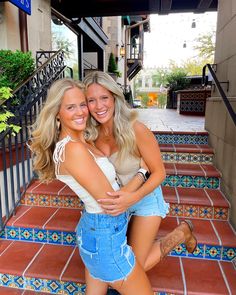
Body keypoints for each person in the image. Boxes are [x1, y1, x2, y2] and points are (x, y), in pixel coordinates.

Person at [29, 78, 154, 295]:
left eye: (82, 104)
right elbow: (112, 201)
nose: (80, 112)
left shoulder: (80, 141)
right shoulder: (73, 149)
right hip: (105, 233)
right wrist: (142, 172)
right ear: (57, 112)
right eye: (70, 107)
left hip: (97, 229)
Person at [83, 71, 197, 273]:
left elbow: (159, 173)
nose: (99, 106)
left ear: (115, 99)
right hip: (117, 201)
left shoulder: (136, 130)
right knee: (111, 259)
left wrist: (133, 197)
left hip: (145, 198)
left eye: (104, 98)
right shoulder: (90, 135)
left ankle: (182, 232)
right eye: (91, 100)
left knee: (137, 266)